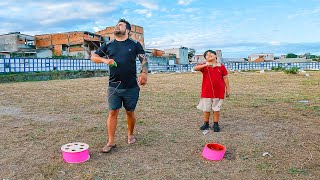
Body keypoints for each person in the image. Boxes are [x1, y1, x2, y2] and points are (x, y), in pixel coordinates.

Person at [90, 19, 149, 153]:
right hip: (113, 86)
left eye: (121, 25)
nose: (117, 26)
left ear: (127, 30)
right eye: (117, 25)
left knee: (130, 112)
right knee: (112, 112)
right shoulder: (108, 44)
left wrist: (144, 72)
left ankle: (130, 134)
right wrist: (105, 60)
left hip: (131, 86)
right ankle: (111, 142)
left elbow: (143, 59)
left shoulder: (134, 44)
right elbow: (93, 57)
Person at [193, 50, 230, 132]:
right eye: (206, 55)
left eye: (211, 53)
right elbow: (195, 68)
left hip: (219, 92)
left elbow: (225, 78)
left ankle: (216, 124)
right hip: (207, 92)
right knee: (206, 109)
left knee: (216, 109)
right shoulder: (204, 66)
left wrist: (228, 89)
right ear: (205, 58)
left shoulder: (221, 66)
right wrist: (205, 65)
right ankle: (206, 123)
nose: (209, 55)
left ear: (216, 55)